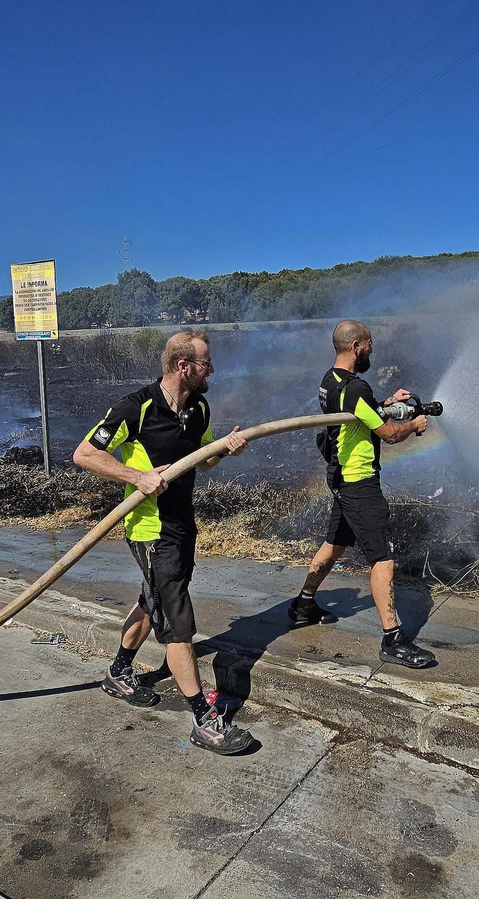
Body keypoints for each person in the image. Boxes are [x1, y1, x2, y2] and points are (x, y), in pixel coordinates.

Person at [72, 329, 254, 755]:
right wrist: (138, 476)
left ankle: (119, 670)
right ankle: (204, 720)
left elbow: (203, 460)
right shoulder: (136, 408)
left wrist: (226, 449)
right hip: (149, 531)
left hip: (181, 524)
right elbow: (84, 453)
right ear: (183, 367)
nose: (212, 370)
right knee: (177, 623)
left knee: (153, 597)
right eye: (206, 364)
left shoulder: (198, 407)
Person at [289, 319, 436, 668]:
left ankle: (303, 604)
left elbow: (357, 413)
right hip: (359, 481)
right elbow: (389, 435)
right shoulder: (356, 388)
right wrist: (413, 424)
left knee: (335, 544)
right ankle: (392, 640)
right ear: (356, 346)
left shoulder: (330, 381)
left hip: (339, 478)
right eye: (369, 344)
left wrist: (385, 402)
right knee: (382, 558)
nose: (372, 349)